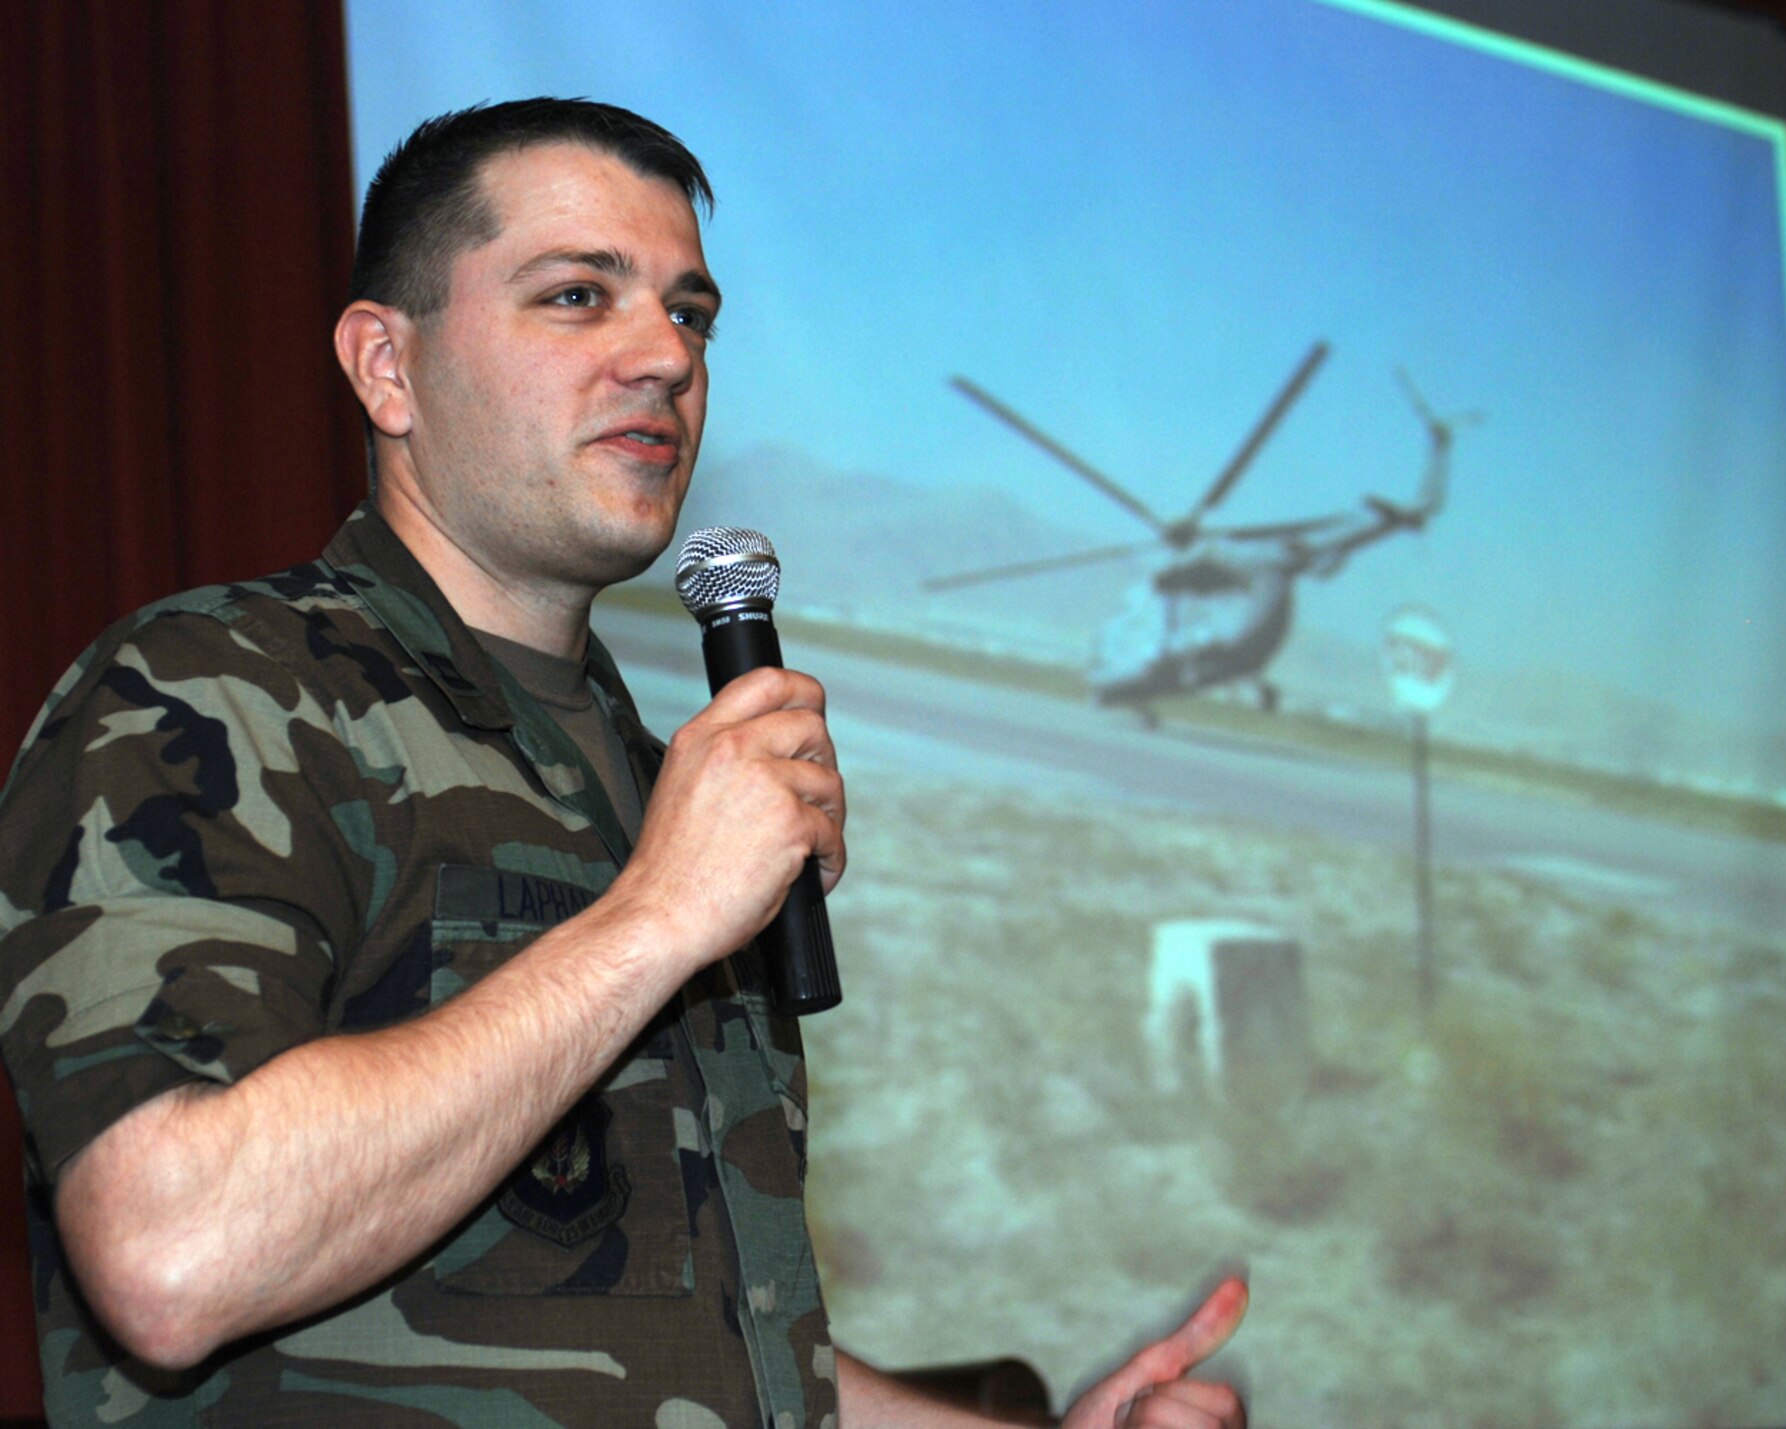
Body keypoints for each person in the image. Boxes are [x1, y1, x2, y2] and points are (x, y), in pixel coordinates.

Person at [0, 99, 1247, 1428]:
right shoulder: (214, 690)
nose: (664, 354)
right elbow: (173, 1251)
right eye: (579, 295)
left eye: (691, 314)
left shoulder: (662, 786)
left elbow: (707, 1338)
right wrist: (656, 915)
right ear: (386, 367)